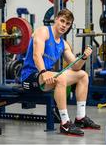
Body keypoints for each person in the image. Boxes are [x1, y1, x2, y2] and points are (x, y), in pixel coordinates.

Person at [21, 8, 101, 136]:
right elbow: (37, 55)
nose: (64, 25)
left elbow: (75, 67)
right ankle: (65, 123)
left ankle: (80, 118)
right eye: (62, 21)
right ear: (56, 19)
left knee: (83, 76)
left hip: (47, 76)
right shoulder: (43, 32)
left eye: (68, 23)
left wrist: (84, 57)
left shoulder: (63, 44)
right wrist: (43, 72)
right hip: (30, 76)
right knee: (61, 78)